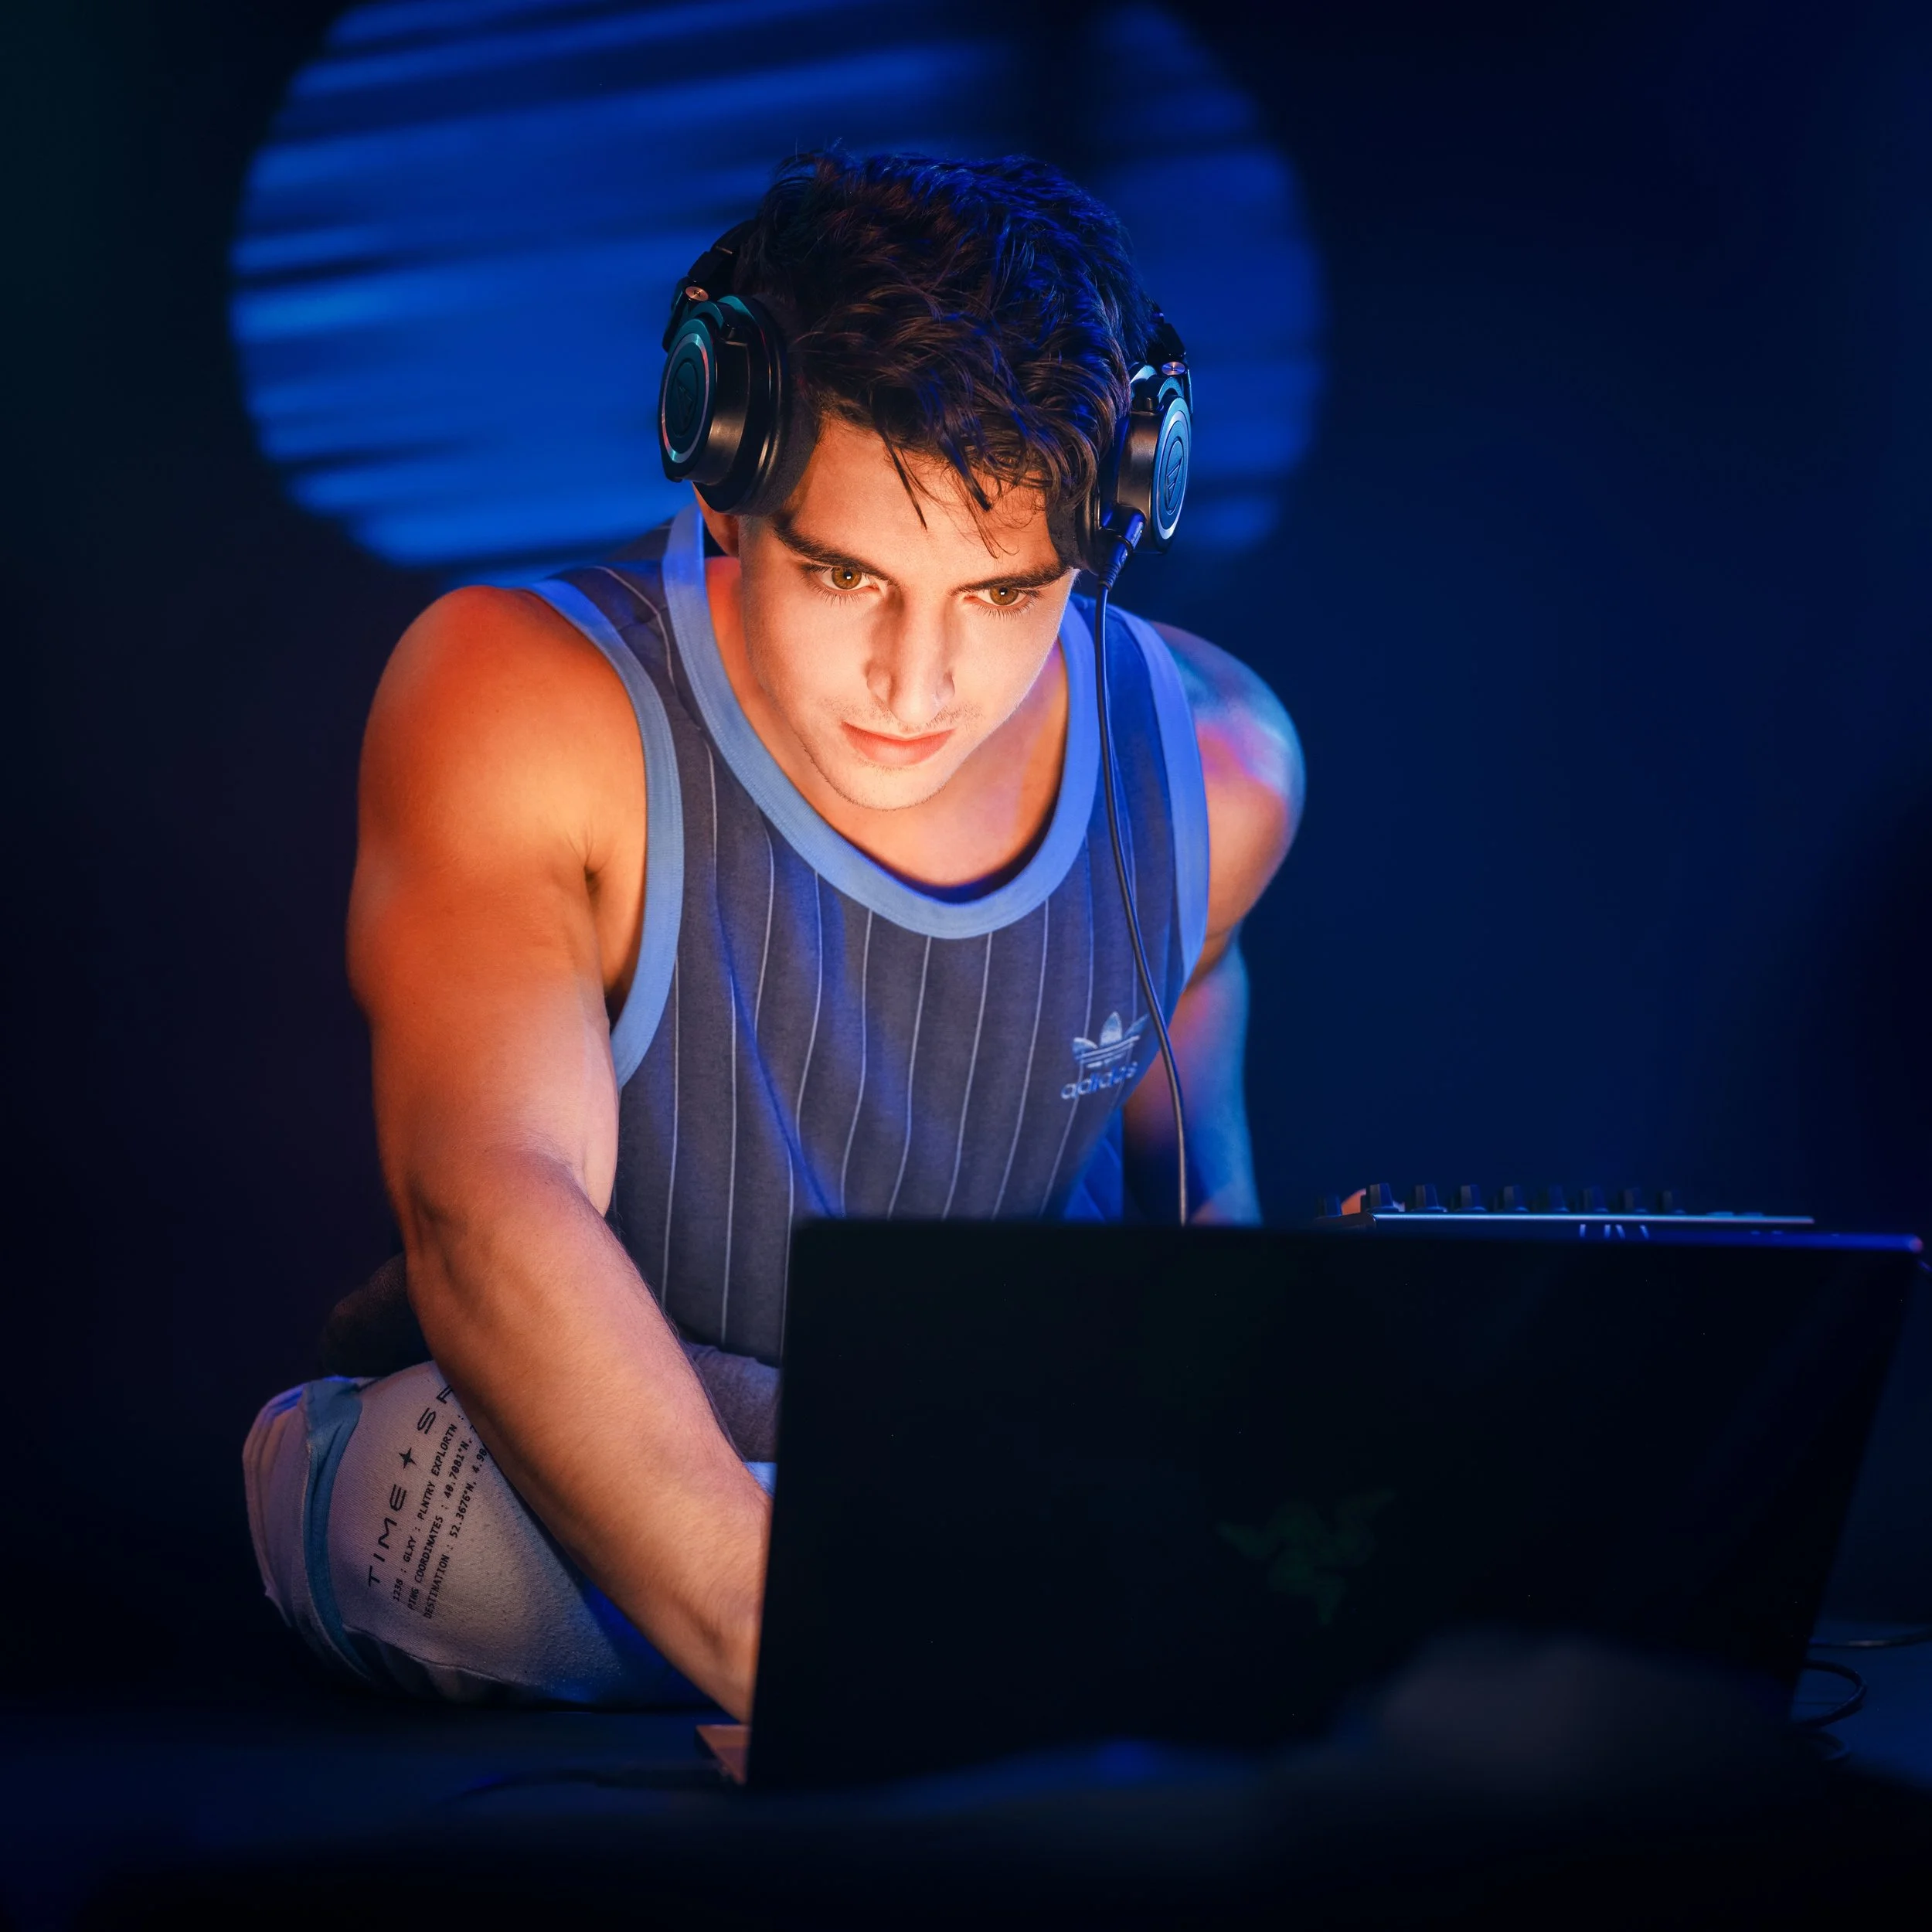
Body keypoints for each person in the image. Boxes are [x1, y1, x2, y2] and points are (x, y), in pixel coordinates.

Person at [244, 151, 1304, 1719]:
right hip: (608, 1422)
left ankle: (972, 1590)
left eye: (1003, 596)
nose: (915, 679)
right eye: (843, 572)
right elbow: (487, 1203)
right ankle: (984, 1615)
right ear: (717, 456)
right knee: (423, 1514)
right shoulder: (520, 697)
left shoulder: (1214, 771)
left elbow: (1201, 1218)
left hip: (988, 1435)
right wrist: (809, 1654)